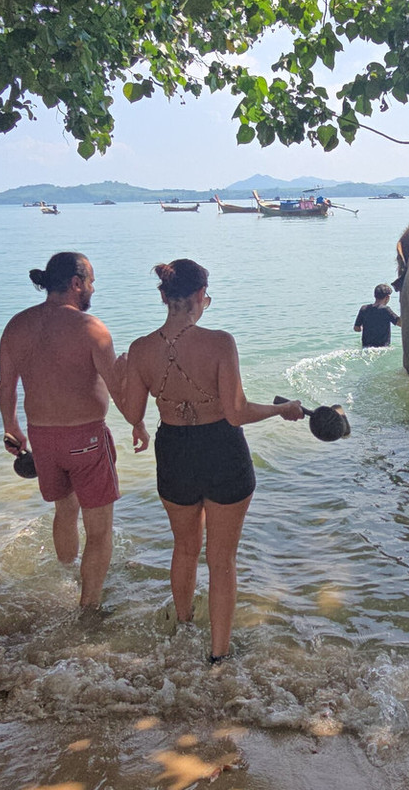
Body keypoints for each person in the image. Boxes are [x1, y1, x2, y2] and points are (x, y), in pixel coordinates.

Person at [122, 259, 303, 663]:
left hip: (174, 451)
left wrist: (118, 376)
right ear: (201, 296)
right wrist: (282, 409)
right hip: (222, 449)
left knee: (184, 548)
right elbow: (236, 412)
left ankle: (183, 630)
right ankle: (219, 656)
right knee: (222, 561)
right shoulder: (220, 342)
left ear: (163, 296)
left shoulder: (140, 349)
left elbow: (133, 414)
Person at [0, 252, 143, 609]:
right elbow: (120, 394)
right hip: (86, 440)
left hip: (42, 439)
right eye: (91, 281)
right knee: (99, 530)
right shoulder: (91, 328)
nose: (94, 287)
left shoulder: (16, 325)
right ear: (77, 283)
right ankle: (88, 608)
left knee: (65, 511)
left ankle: (65, 578)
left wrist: (11, 428)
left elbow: (6, 386)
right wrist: (136, 417)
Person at [353, 283, 401, 348]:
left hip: (366, 347)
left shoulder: (364, 309)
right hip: (382, 348)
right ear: (388, 297)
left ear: (375, 295)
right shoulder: (386, 310)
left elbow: (356, 328)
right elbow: (400, 323)